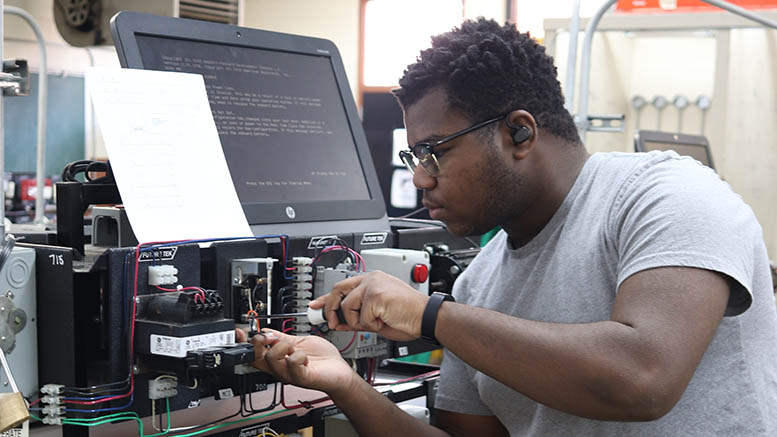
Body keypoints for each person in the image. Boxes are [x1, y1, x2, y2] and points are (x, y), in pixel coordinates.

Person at [236, 18, 777, 435]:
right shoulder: (481, 284)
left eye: (434, 152)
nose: (421, 178)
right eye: (412, 156)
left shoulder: (665, 196)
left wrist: (428, 314)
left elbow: (642, 378)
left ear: (519, 133)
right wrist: (345, 385)